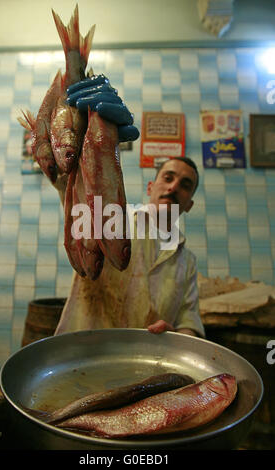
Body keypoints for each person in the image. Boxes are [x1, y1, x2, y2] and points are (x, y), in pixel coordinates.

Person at [52, 75, 205, 338]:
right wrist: (76, 126)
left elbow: (189, 320)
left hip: (148, 367)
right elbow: (70, 185)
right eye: (168, 177)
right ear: (150, 187)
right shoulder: (114, 218)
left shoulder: (187, 261)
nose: (174, 187)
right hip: (83, 357)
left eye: (185, 184)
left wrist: (179, 334)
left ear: (189, 204)